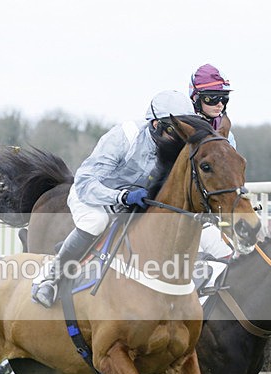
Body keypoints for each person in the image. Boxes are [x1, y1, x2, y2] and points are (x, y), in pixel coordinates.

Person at [32, 90, 197, 308]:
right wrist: (122, 196)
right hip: (93, 196)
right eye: (173, 130)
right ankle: (50, 278)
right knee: (96, 222)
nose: (179, 139)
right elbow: (85, 182)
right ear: (156, 124)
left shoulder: (178, 148)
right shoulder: (124, 137)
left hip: (132, 203)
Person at [188, 64, 236, 149]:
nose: (220, 104)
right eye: (213, 98)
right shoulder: (182, 130)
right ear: (196, 98)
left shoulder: (228, 136)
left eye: (224, 98)